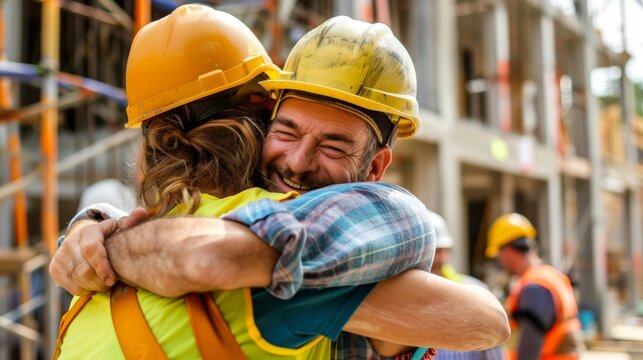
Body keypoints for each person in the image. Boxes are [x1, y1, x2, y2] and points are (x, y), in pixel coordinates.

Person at [51, 7, 509, 359]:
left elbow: (205, 254)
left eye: (333, 146)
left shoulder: (371, 217)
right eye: (286, 131)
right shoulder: (242, 239)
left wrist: (106, 242)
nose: (297, 161)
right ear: (260, 114)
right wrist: (97, 228)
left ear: (375, 169)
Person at [485, 213, 583, 360]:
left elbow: (529, 350)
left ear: (508, 251)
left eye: (498, 254)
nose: (499, 260)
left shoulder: (534, 289)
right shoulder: (551, 277)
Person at [428, 210, 506, 360]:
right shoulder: (407, 300)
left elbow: (493, 353)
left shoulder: (476, 292)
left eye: (438, 251)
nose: (434, 258)